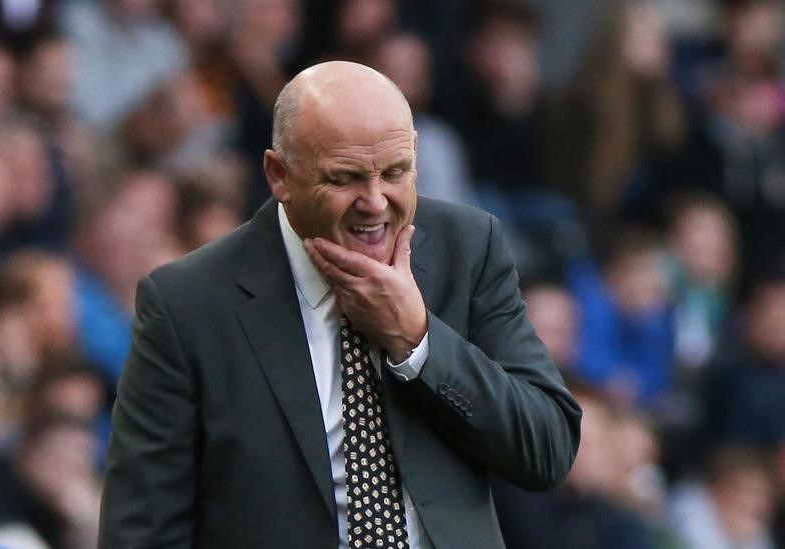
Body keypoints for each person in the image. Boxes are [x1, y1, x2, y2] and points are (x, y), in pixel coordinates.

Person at [98, 60, 581, 549]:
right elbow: (141, 531)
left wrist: (419, 341)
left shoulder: (468, 249)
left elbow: (547, 447)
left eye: (395, 172)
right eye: (345, 178)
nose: (375, 202)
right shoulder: (187, 305)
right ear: (279, 175)